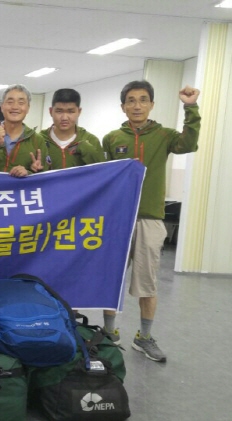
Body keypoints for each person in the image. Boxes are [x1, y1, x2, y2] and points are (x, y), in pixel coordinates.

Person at [102, 80, 201, 363]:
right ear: (123, 107)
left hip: (150, 219)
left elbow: (189, 143)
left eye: (143, 100)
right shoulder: (112, 138)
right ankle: (109, 333)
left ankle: (144, 337)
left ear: (152, 105)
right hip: (118, 219)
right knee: (111, 279)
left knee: (147, 282)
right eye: (131, 100)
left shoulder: (164, 135)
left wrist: (191, 108)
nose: (137, 105)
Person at [0, 84, 48, 177]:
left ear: (28, 108)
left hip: (22, 187)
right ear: (2, 107)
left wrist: (30, 172)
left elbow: (45, 176)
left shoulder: (37, 140)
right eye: (10, 102)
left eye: (21, 103)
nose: (15, 107)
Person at [39, 88, 105, 170]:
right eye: (59, 111)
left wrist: (87, 150)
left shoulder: (91, 140)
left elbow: (102, 171)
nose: (64, 118)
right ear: (50, 111)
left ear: (79, 112)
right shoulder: (39, 140)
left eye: (71, 112)